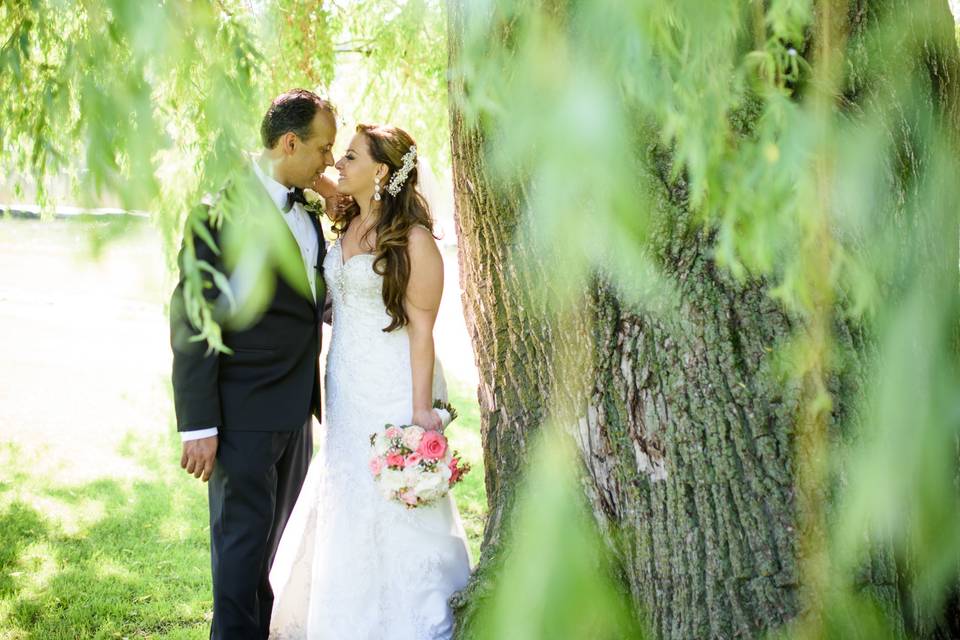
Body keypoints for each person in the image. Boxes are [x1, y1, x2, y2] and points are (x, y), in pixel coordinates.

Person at [268, 124, 472, 639]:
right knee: (348, 490)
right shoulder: (349, 221)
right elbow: (330, 191)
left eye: (351, 156)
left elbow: (422, 333)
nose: (338, 161)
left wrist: (422, 412)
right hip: (344, 385)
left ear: (381, 171)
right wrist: (326, 185)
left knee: (390, 499)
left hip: (391, 388)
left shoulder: (414, 241)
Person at [169, 88, 337, 640]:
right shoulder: (218, 214)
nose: (329, 162)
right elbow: (193, 320)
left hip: (296, 417)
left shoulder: (307, 209)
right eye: (323, 149)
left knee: (273, 556)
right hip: (240, 419)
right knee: (240, 560)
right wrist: (199, 425)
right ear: (290, 143)